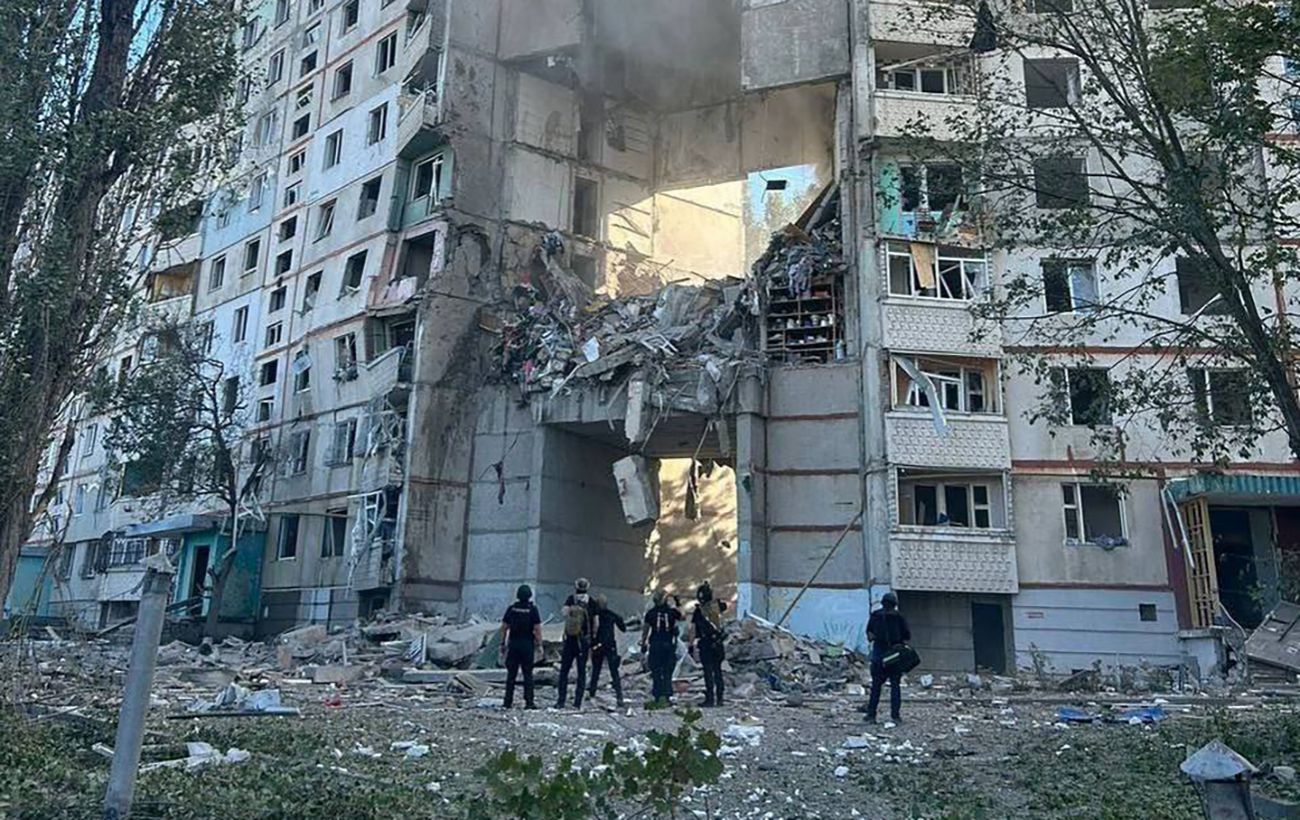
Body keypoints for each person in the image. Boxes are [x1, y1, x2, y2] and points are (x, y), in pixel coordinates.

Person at [865, 591, 911, 724]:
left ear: (883, 603)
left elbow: (869, 634)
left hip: (878, 655)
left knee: (876, 687)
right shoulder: (899, 617)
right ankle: (895, 716)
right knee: (895, 686)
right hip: (894, 655)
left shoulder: (876, 615)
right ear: (895, 604)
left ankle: (871, 715)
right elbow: (907, 636)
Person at [498, 584, 542, 710]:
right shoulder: (533, 610)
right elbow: (537, 629)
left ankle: (507, 702)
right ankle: (529, 702)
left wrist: (502, 643)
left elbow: (504, 628)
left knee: (511, 675)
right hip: (527, 645)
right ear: (529, 596)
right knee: (528, 675)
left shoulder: (512, 609)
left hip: (514, 644)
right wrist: (539, 644)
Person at [555, 577, 595, 709]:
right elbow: (595, 622)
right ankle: (577, 702)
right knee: (581, 672)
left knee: (564, 671)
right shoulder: (591, 602)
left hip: (570, 640)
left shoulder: (571, 599)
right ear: (587, 587)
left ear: (576, 587)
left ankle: (561, 701)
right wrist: (592, 639)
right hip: (583, 641)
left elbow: (564, 613)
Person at [688, 581, 728, 707]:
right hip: (718, 643)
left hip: (706, 644)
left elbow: (693, 629)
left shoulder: (699, 611)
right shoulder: (717, 606)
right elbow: (724, 606)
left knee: (708, 672)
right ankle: (720, 699)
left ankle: (710, 699)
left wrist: (691, 645)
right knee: (718, 671)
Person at [641, 589, 682, 708]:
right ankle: (667, 695)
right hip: (668, 645)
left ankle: (657, 695)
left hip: (655, 645)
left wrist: (643, 643)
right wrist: (678, 603)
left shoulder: (651, 613)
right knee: (668, 671)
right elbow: (682, 616)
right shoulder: (672, 612)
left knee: (656, 671)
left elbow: (646, 630)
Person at [586, 593, 627, 707]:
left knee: (596, 671)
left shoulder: (594, 615)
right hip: (610, 645)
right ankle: (619, 696)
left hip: (597, 645)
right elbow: (623, 628)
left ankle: (592, 693)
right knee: (614, 672)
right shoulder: (611, 615)